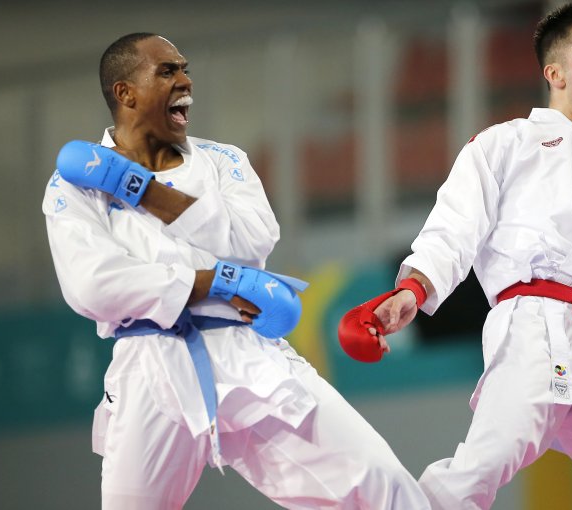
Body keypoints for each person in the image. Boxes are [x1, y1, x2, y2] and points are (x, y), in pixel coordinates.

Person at [338, 2, 572, 509]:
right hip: (539, 329)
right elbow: (455, 225)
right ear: (554, 73)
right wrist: (415, 287)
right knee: (487, 462)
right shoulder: (508, 143)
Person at [42, 32, 429, 509]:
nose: (185, 80)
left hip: (246, 351)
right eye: (167, 71)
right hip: (148, 367)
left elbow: (252, 241)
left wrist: (140, 189)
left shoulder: (223, 160)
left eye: (185, 69)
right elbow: (92, 286)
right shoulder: (77, 184)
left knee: (380, 482)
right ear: (126, 93)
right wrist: (218, 281)